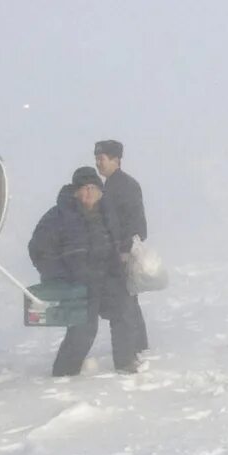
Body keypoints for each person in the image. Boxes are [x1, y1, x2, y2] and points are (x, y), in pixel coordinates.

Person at [27, 168, 139, 376]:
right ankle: (64, 373)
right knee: (84, 329)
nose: (88, 193)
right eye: (84, 189)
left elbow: (120, 238)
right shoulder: (58, 215)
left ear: (100, 191)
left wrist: (126, 256)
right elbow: (38, 249)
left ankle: (125, 364)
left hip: (108, 277)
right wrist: (57, 275)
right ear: (75, 192)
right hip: (78, 283)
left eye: (93, 188)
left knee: (123, 313)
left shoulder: (108, 213)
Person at [93, 139, 151, 357]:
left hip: (123, 253)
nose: (98, 163)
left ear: (116, 160)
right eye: (97, 159)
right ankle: (139, 344)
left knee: (125, 300)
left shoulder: (123, 186)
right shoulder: (112, 185)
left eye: (102, 159)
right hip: (117, 252)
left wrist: (125, 250)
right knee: (128, 299)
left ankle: (136, 346)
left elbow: (135, 223)